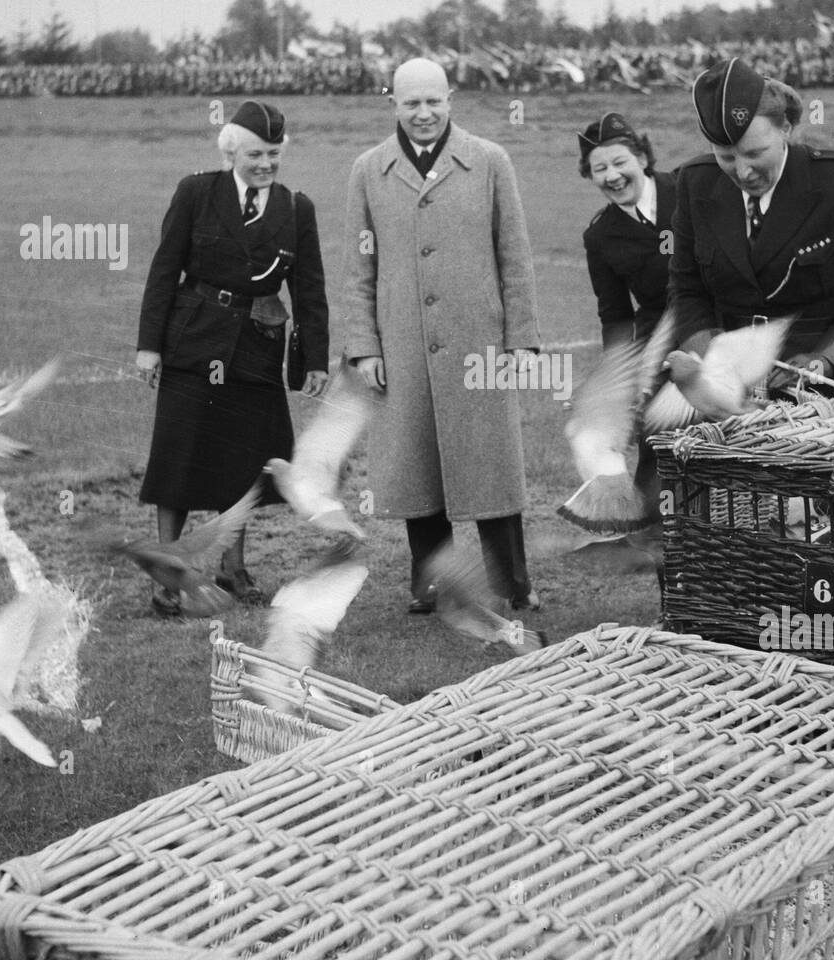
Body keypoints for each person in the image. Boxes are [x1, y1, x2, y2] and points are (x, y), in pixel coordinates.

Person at [342, 57, 541, 615]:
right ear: (394, 105)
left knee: (492, 466)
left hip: (479, 345)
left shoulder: (490, 162)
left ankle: (512, 584)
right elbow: (358, 269)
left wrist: (521, 339)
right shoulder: (368, 170)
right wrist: (363, 346)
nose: (424, 113)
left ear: (451, 100)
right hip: (402, 343)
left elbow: (515, 257)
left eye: (434, 101)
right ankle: (432, 583)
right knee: (417, 469)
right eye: (412, 103)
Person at [135, 100, 330, 616]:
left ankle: (232, 568)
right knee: (177, 459)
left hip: (255, 352)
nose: (265, 164)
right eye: (255, 154)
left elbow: (309, 288)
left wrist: (315, 359)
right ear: (230, 151)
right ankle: (168, 573)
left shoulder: (296, 208)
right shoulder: (195, 193)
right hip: (192, 343)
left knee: (243, 462)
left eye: (273, 154)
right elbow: (164, 271)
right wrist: (149, 346)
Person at [669, 57, 834, 392]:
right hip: (735, 380)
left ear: (786, 130)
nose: (744, 172)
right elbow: (686, 289)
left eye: (755, 153)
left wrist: (824, 361)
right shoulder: (695, 184)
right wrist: (712, 360)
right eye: (726, 157)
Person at [578, 111, 675, 529]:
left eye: (620, 162)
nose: (613, 176)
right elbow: (615, 315)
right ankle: (662, 558)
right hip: (659, 352)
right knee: (659, 455)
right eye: (600, 169)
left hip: (717, 333)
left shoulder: (689, 192)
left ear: (642, 158)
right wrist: (618, 382)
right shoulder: (600, 235)